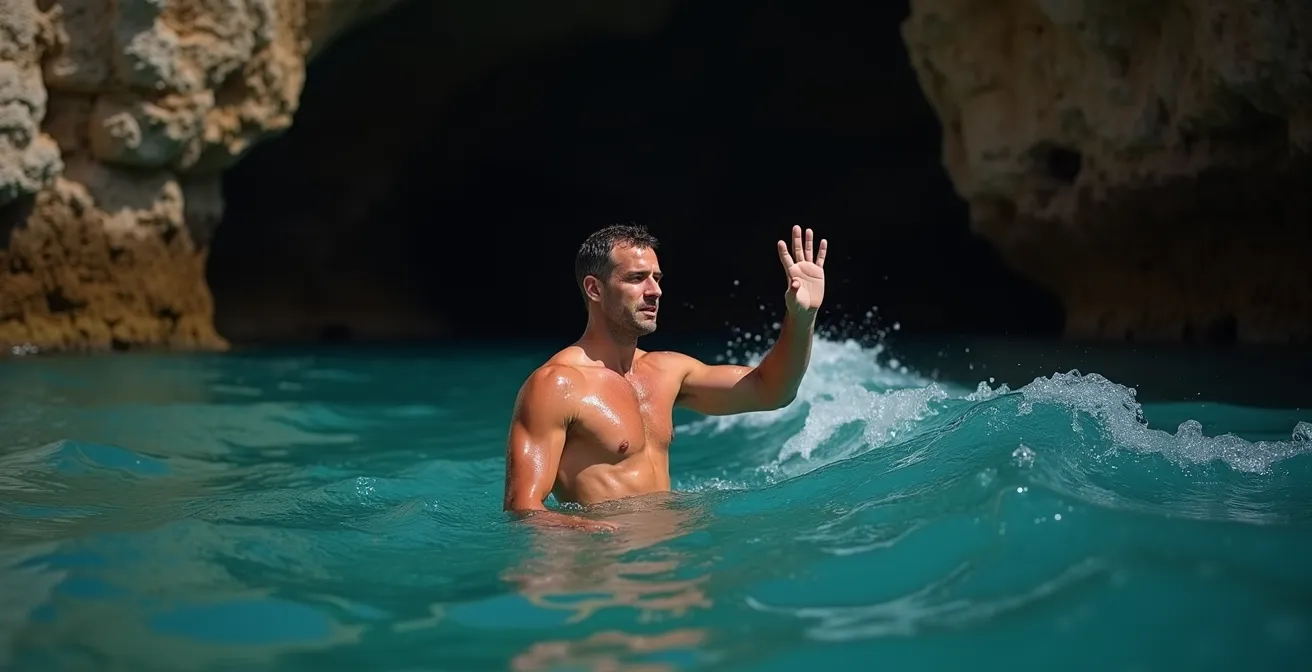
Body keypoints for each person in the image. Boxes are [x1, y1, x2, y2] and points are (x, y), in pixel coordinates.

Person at [502, 223, 828, 531]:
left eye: (657, 278)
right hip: (608, 567)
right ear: (594, 289)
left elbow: (771, 391)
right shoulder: (556, 384)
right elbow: (523, 508)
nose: (655, 291)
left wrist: (802, 318)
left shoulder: (667, 371)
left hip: (670, 557)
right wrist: (595, 532)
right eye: (636, 278)